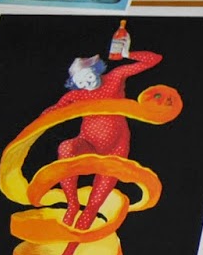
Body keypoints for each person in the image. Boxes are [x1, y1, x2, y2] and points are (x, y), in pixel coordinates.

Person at [41, 48, 163, 230]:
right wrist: (35, 127)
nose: (86, 83)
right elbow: (51, 113)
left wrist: (127, 53)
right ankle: (72, 204)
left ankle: (74, 243)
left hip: (115, 150)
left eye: (88, 76)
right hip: (88, 144)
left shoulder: (115, 78)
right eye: (80, 82)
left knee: (93, 206)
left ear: (96, 69)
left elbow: (154, 59)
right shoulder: (76, 95)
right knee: (66, 148)